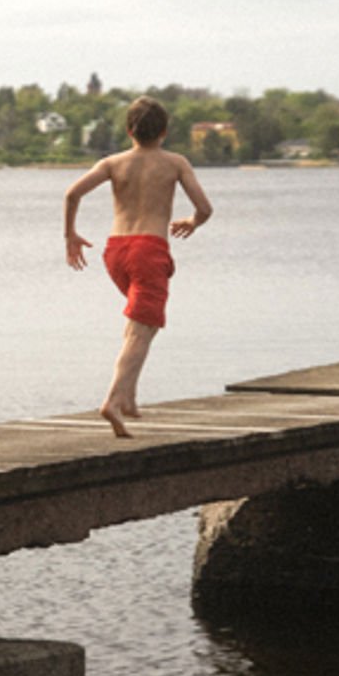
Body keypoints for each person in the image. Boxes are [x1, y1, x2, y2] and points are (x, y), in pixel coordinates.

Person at [64, 96, 213, 437]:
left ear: (128, 129)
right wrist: (192, 221)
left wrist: (70, 235)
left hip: (116, 252)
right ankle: (113, 402)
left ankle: (129, 398)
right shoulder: (175, 163)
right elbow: (205, 208)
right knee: (141, 332)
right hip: (149, 250)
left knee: (139, 326)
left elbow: (72, 195)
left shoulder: (113, 163)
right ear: (164, 131)